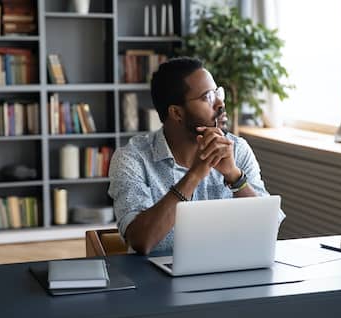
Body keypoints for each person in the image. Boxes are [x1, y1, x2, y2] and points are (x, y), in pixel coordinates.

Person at [108, 57, 285, 255]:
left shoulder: (237, 150)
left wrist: (235, 177)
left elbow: (270, 229)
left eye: (219, 93)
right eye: (208, 97)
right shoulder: (132, 159)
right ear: (176, 113)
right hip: (157, 280)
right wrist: (195, 174)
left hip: (229, 275)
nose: (220, 103)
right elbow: (141, 240)